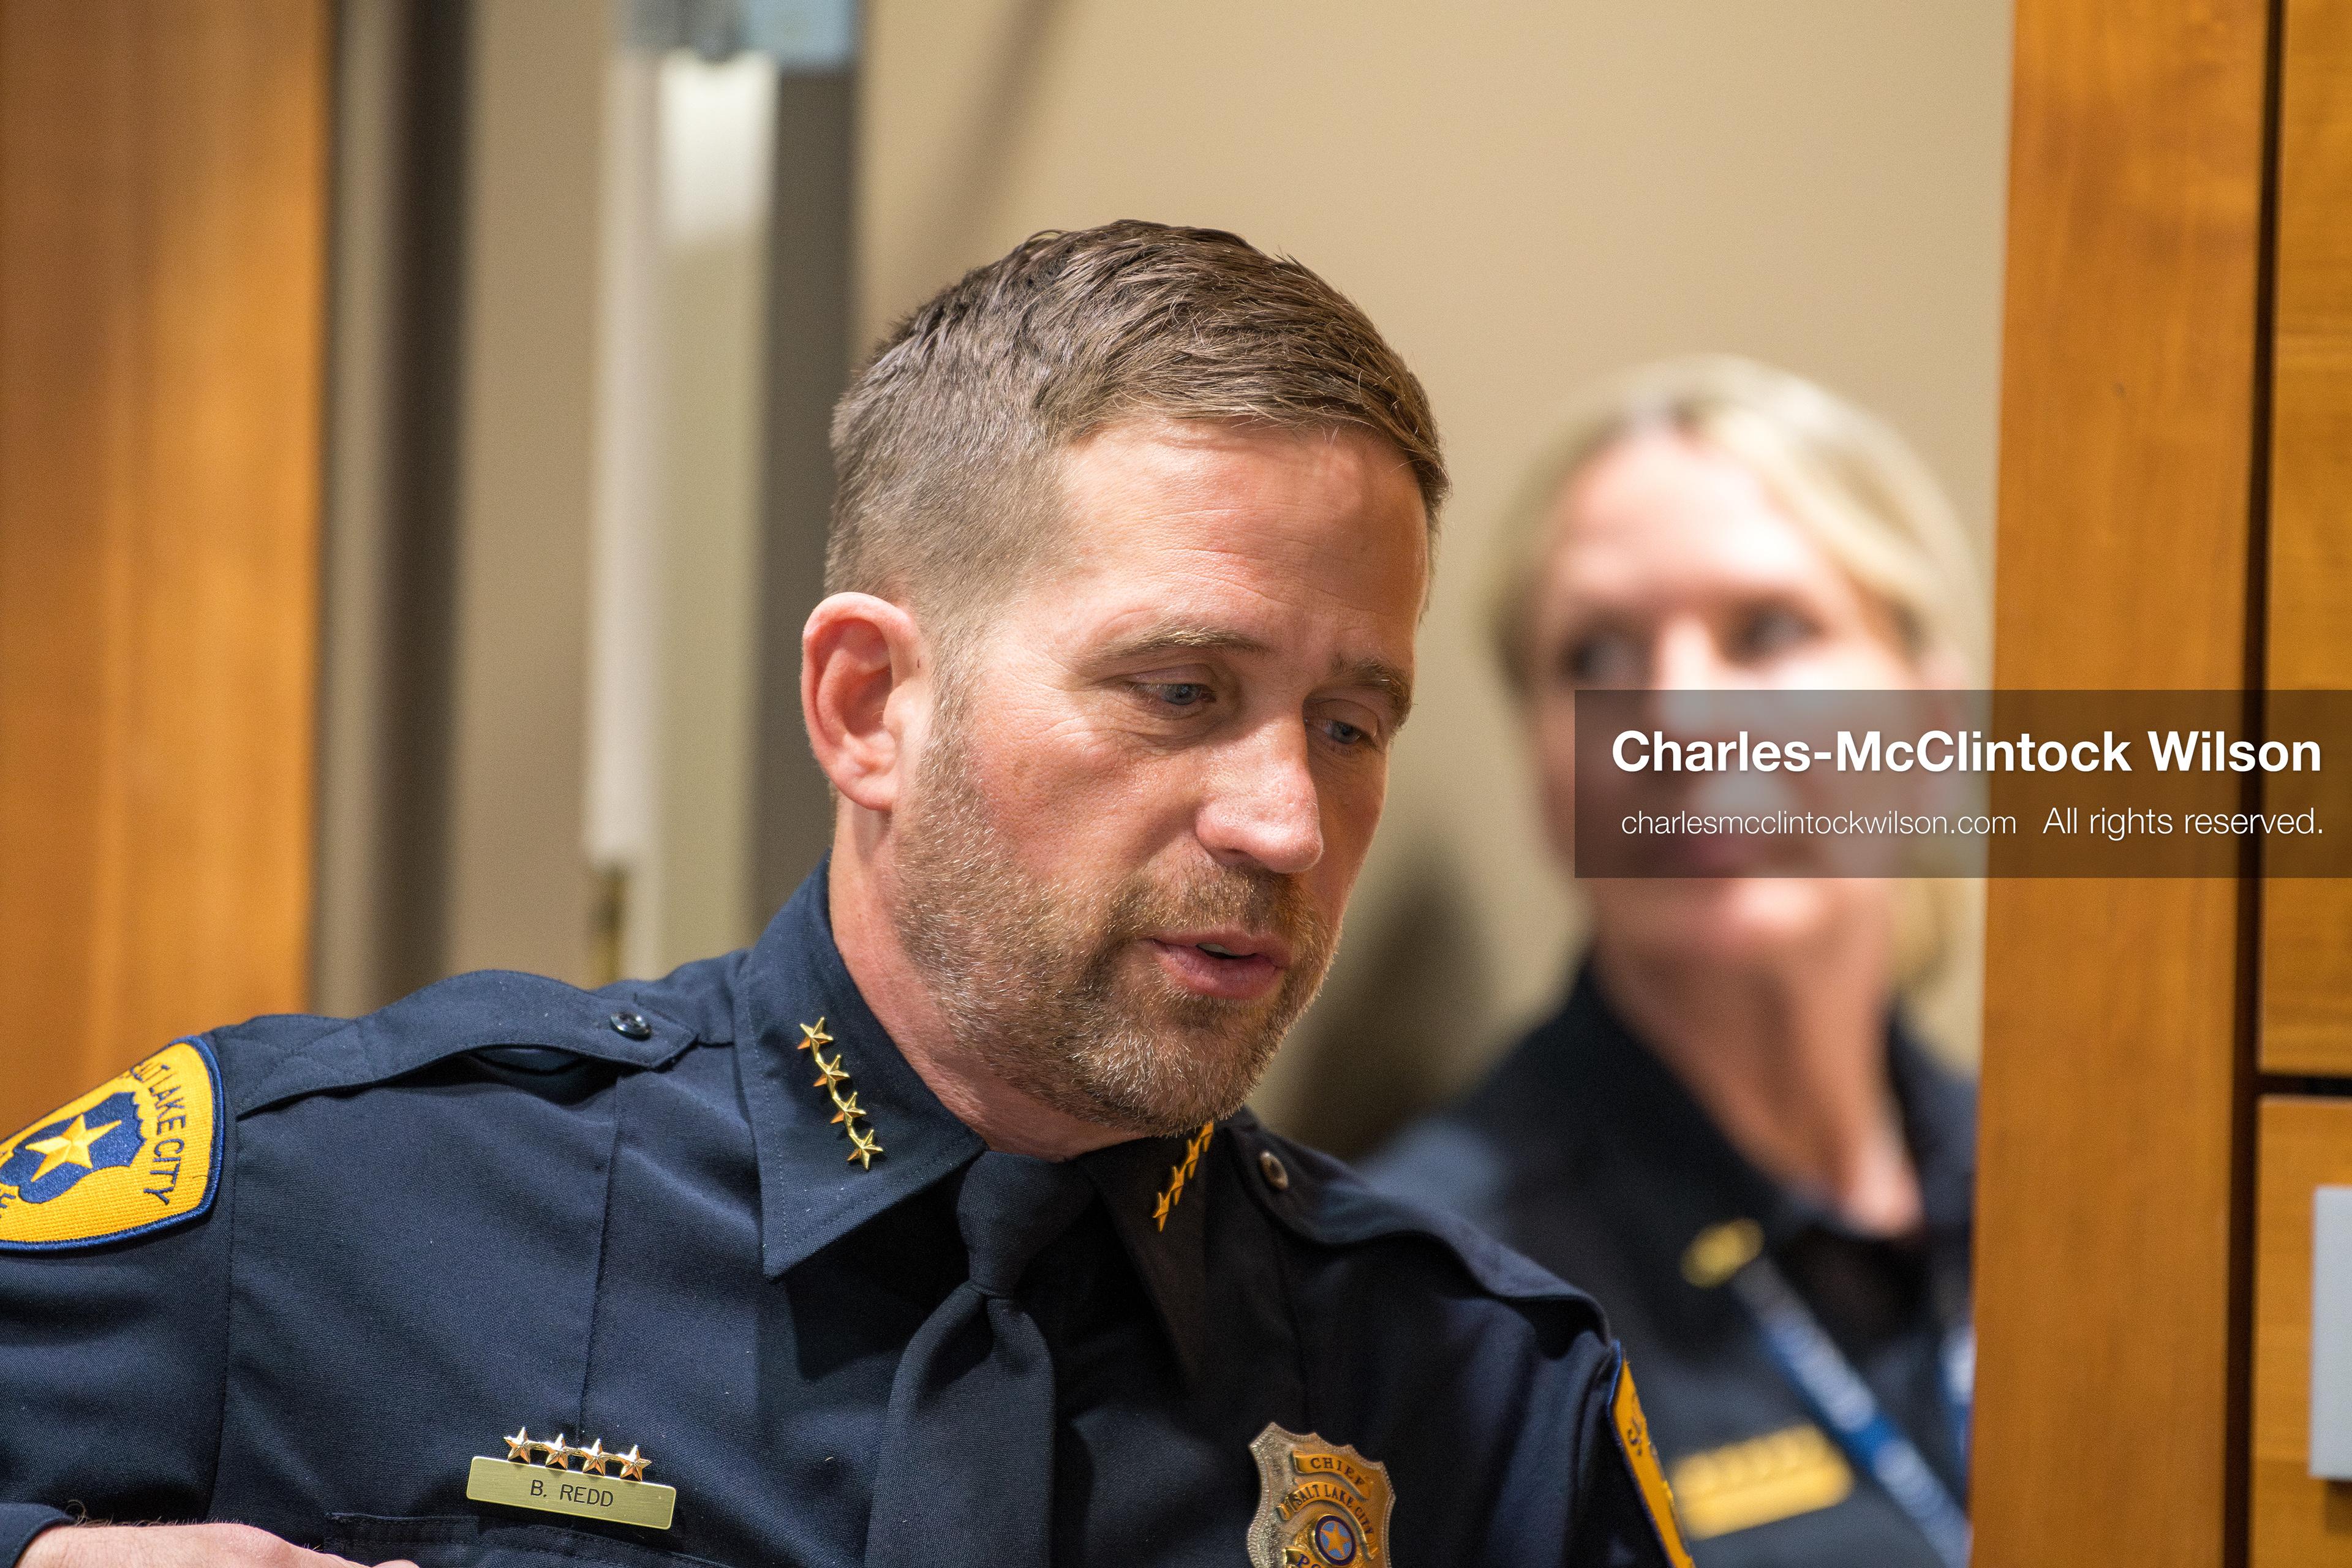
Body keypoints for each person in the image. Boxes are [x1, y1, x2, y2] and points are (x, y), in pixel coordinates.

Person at [0, 224, 1691, 1568]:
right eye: (1178, 691)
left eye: (1348, 725)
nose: (1286, 825)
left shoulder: (1478, 1392)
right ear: (870, 706)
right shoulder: (327, 1199)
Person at [1364, 356, 1983, 1568]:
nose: (1678, 719)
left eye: (1768, 629)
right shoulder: (1438, 1293)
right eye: (1595, 657)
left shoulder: (2091, 1200)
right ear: (1544, 772)